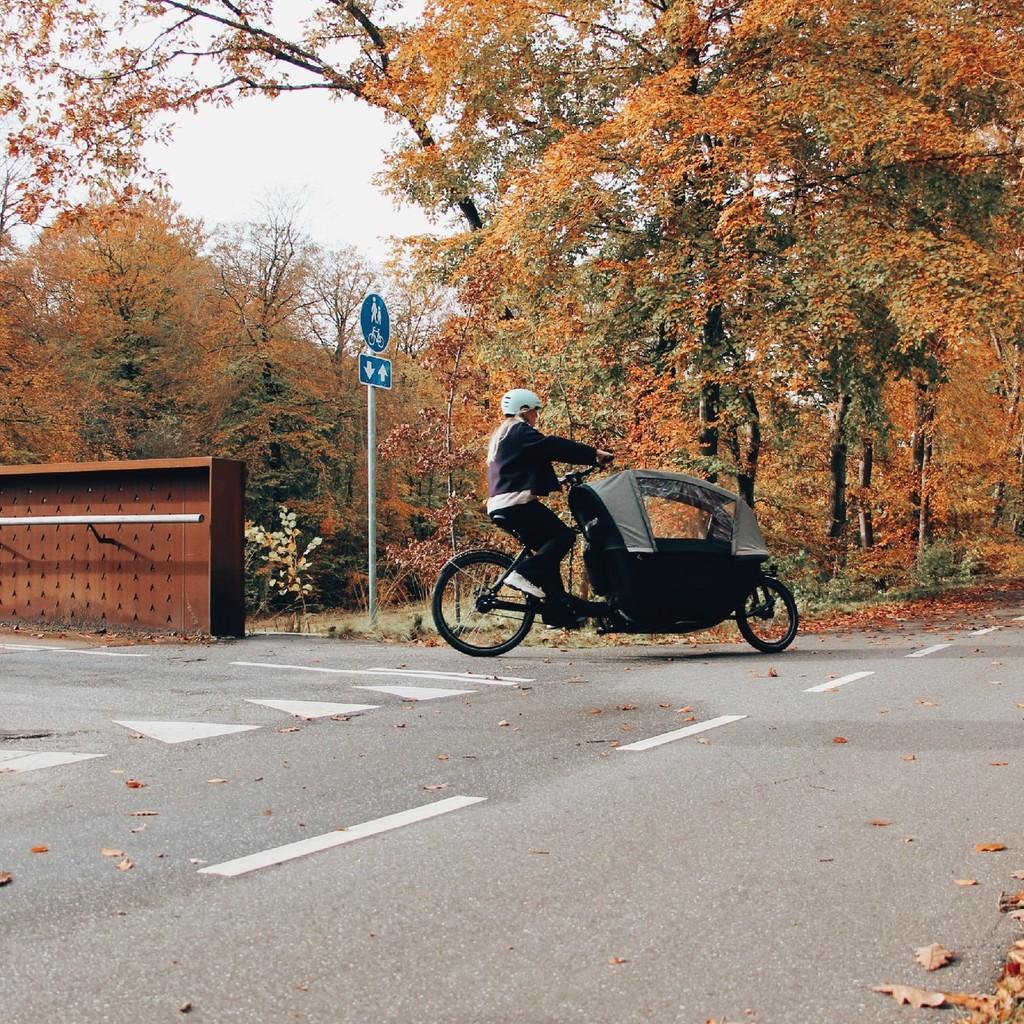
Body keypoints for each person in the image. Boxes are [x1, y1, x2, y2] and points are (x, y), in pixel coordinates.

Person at [486, 388, 613, 625]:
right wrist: (593, 454)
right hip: (515, 504)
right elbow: (552, 446)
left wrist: (559, 481)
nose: (536, 416)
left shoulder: (504, 435)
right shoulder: (518, 429)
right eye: (535, 411)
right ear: (523, 410)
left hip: (501, 504)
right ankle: (522, 574)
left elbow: (522, 466)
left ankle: (557, 611)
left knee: (548, 552)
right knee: (563, 536)